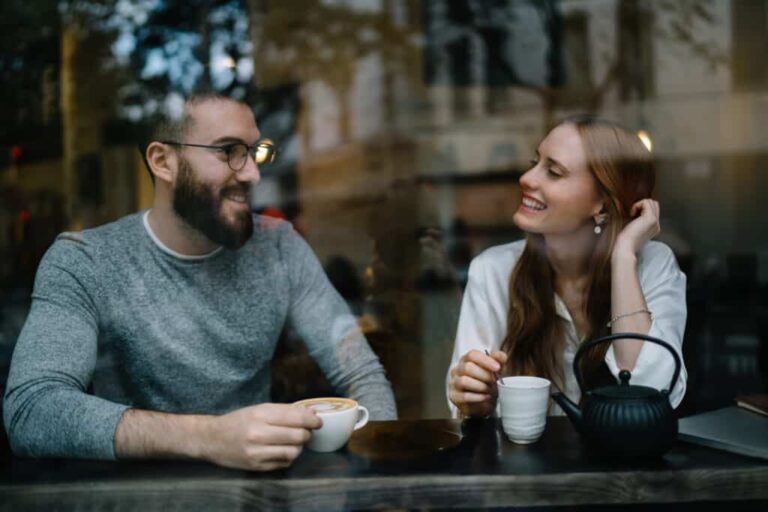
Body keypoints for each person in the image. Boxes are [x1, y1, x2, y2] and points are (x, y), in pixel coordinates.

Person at [3, 92, 397, 471]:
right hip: (139, 501)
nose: (253, 173)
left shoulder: (280, 247)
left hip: (258, 496)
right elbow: (33, 410)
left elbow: (360, 374)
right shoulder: (86, 261)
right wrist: (209, 438)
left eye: (256, 151)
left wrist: (380, 486)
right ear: (163, 161)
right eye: (230, 151)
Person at [447, 116, 687, 418]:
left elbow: (654, 390)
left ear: (601, 203)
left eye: (554, 172)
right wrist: (474, 400)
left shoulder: (653, 264)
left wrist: (624, 257)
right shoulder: (493, 270)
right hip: (524, 460)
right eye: (535, 162)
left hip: (624, 462)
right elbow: (466, 403)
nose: (527, 178)